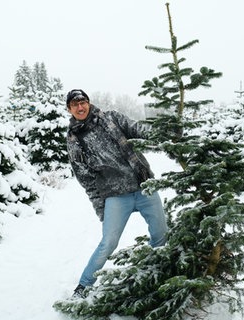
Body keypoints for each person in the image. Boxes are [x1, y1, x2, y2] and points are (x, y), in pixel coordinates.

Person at [64, 89, 168, 299]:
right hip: (115, 195)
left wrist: (163, 134)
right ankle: (84, 285)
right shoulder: (75, 139)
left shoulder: (111, 118)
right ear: (69, 109)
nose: (80, 107)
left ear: (89, 102)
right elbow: (85, 178)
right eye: (75, 105)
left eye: (83, 102)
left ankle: (156, 273)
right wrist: (100, 206)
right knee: (108, 242)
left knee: (160, 234)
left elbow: (138, 129)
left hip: (144, 186)